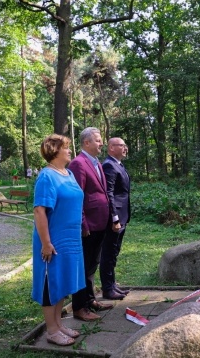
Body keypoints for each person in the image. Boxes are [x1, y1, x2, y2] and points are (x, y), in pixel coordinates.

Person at [32, 134, 85, 346]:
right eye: (66, 147)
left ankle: (59, 324)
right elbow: (39, 211)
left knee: (63, 281)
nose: (70, 151)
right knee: (50, 283)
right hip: (52, 241)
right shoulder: (47, 177)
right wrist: (46, 242)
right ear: (54, 150)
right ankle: (51, 331)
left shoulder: (69, 173)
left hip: (70, 240)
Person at [68, 127, 114, 322]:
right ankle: (79, 307)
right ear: (86, 143)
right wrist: (83, 223)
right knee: (83, 266)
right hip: (89, 225)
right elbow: (77, 196)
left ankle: (90, 299)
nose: (101, 143)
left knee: (92, 265)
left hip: (100, 223)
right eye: (97, 140)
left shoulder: (96, 162)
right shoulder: (78, 163)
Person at [100, 138, 131, 299]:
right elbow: (109, 193)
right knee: (108, 253)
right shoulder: (109, 165)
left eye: (125, 145)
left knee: (114, 252)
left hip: (123, 216)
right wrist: (115, 218)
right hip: (115, 219)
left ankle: (112, 285)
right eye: (121, 145)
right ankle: (107, 288)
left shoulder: (118, 164)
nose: (125, 148)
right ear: (111, 148)